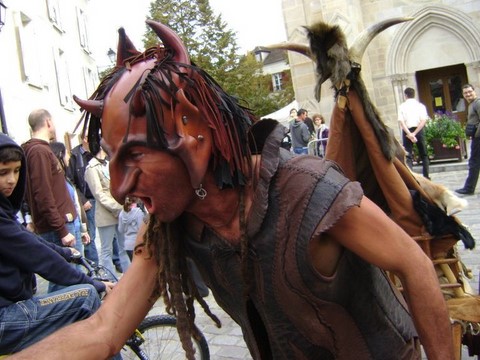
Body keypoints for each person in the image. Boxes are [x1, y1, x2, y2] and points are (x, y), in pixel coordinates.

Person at [12, 20, 454, 359]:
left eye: (136, 157)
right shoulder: (168, 229)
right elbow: (102, 331)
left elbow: (414, 266)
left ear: (194, 134)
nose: (122, 187)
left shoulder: (308, 191)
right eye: (113, 161)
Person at [0, 133, 113, 355]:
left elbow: (27, 239)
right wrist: (93, 283)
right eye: (3, 172)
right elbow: (37, 256)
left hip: (9, 309)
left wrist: (64, 252)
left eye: (16, 171)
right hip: (5, 318)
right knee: (85, 297)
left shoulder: (4, 213)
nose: (12, 180)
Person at [21, 109, 80, 292]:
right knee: (65, 282)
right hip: (57, 227)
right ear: (48, 122)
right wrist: (62, 230)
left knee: (69, 280)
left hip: (60, 224)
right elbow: (43, 194)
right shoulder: (38, 151)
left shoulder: (39, 150)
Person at [84, 144, 131, 278]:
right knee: (107, 250)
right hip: (105, 214)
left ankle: (128, 277)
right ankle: (111, 280)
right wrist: (117, 207)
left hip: (119, 210)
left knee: (123, 247)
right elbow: (98, 194)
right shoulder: (91, 168)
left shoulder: (109, 163)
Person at [50, 141, 90, 258]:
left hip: (75, 225)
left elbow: (75, 204)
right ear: (60, 155)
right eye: (67, 153)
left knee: (79, 263)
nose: (69, 157)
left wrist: (83, 229)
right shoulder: (55, 181)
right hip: (67, 226)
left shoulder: (65, 177)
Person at [67, 136, 100, 263]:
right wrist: (83, 199)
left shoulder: (98, 151)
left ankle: (117, 261)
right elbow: (72, 181)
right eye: (89, 135)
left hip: (103, 200)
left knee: (111, 235)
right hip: (89, 201)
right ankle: (94, 265)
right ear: (84, 138)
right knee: (90, 236)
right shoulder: (75, 156)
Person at [398, 87, 430, 179]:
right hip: (418, 130)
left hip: (407, 131)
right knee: (424, 154)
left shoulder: (402, 106)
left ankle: (411, 176)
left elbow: (401, 122)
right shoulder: (420, 106)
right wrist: (415, 133)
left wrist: (409, 134)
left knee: (408, 155)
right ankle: (426, 176)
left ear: (405, 95)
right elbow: (423, 120)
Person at [456, 84, 480, 195]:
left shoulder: (478, 103)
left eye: (470, 91)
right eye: (465, 93)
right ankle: (469, 187)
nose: (468, 94)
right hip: (476, 137)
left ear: (474, 91)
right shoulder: (472, 104)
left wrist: (476, 133)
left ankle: (469, 188)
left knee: (474, 162)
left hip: (478, 138)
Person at [118, 196, 146, 260]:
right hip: (138, 243)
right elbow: (141, 229)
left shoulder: (122, 213)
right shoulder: (139, 212)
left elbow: (120, 230)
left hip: (127, 245)